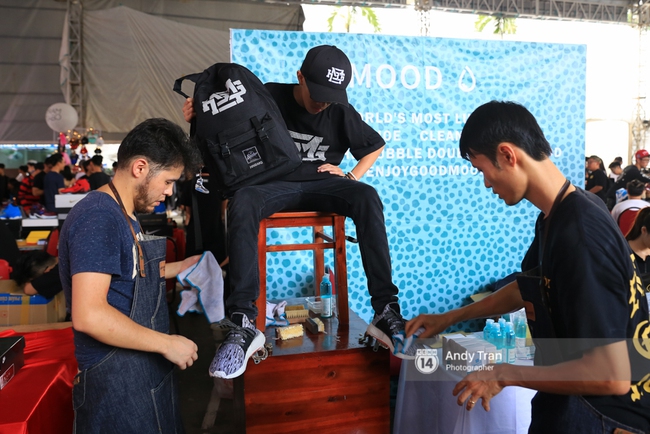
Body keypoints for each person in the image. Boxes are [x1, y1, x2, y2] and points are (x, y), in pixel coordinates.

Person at [406, 101, 650, 433]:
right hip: (567, 403)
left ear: (508, 155)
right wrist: (449, 318)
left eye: (482, 170)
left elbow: (611, 375)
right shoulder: (556, 216)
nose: (486, 184)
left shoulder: (580, 231)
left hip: (603, 416)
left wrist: (504, 373)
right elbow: (528, 288)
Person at [183, 45, 416, 379]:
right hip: (273, 185)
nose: (323, 102)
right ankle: (244, 322)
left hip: (322, 184)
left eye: (331, 95)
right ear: (300, 77)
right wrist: (199, 115)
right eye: (318, 92)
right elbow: (223, 125)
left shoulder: (339, 110)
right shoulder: (266, 95)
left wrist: (350, 176)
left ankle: (386, 310)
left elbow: (374, 145)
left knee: (367, 197)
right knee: (243, 200)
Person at [58, 118, 202, 433]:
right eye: (167, 181)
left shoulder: (126, 215)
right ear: (140, 168)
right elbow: (89, 314)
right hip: (115, 380)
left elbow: (129, 276)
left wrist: (185, 266)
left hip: (141, 369)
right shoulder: (99, 217)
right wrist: (166, 343)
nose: (168, 191)